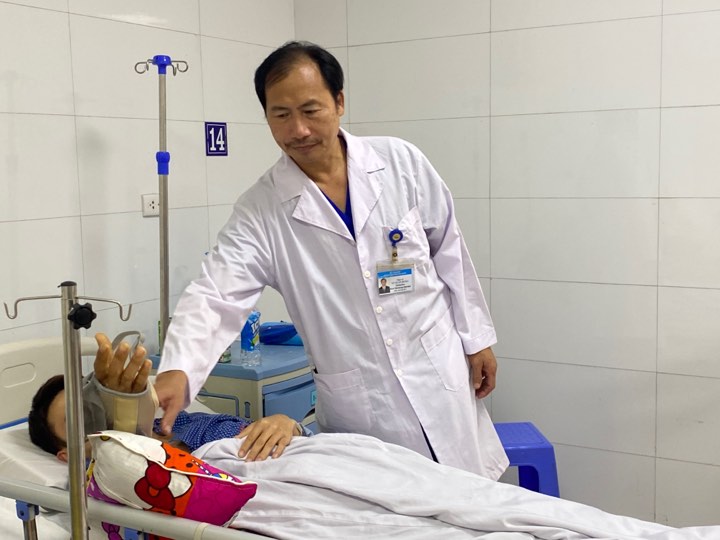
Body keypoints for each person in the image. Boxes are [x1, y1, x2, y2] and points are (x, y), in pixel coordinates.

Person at [154, 40, 507, 478]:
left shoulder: (400, 162)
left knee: (469, 495)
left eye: (310, 110)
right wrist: (179, 369)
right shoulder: (261, 209)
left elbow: (449, 249)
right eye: (281, 115)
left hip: (438, 371)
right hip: (362, 403)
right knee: (384, 502)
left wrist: (476, 338)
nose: (299, 129)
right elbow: (215, 293)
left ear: (339, 102)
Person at [28, 333, 309, 463]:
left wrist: (286, 424)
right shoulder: (102, 480)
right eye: (77, 419)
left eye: (92, 401)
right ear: (67, 455)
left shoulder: (185, 424)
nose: (94, 412)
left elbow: (255, 433)